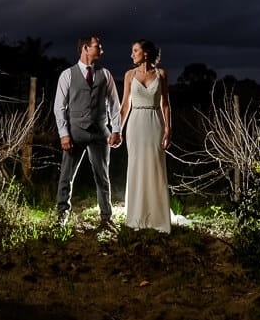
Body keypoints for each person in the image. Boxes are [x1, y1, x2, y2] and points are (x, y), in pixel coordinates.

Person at [53, 35, 122, 229]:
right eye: (98, 46)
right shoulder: (67, 75)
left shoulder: (105, 74)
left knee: (103, 176)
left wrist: (116, 129)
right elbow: (59, 107)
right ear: (85, 48)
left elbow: (114, 105)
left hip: (100, 133)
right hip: (75, 133)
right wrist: (63, 133)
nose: (102, 50)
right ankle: (61, 216)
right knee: (66, 176)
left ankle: (106, 218)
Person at [119, 39, 172, 232]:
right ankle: (136, 217)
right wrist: (118, 130)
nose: (132, 55)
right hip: (135, 124)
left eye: (135, 51)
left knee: (155, 166)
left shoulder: (161, 74)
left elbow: (165, 104)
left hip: (155, 122)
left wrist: (168, 128)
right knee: (136, 166)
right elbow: (125, 106)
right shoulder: (129, 75)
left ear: (146, 53)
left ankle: (157, 218)